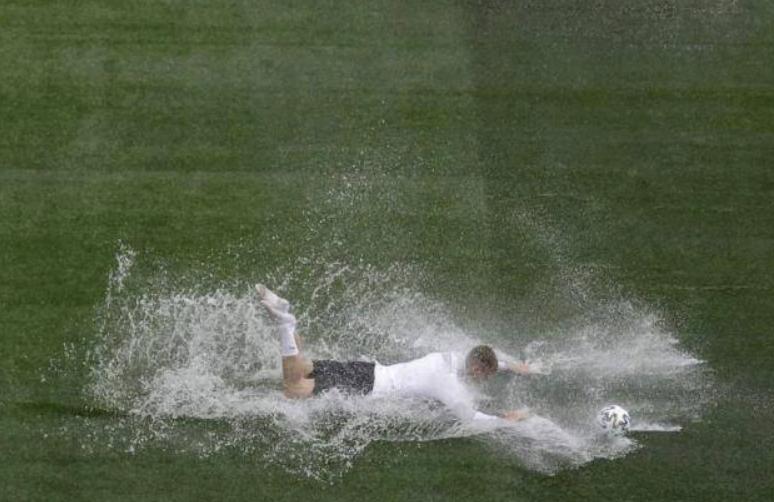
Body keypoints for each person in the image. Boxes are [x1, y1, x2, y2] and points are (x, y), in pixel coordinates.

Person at [257, 284, 531, 423]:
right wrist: (505, 420)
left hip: (368, 370)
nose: (484, 379)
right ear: (477, 369)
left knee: (303, 368)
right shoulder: (447, 382)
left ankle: (289, 324)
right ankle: (286, 324)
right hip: (366, 386)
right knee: (294, 388)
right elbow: (470, 418)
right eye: (486, 375)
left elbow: (489, 353)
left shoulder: (455, 356)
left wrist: (513, 366)